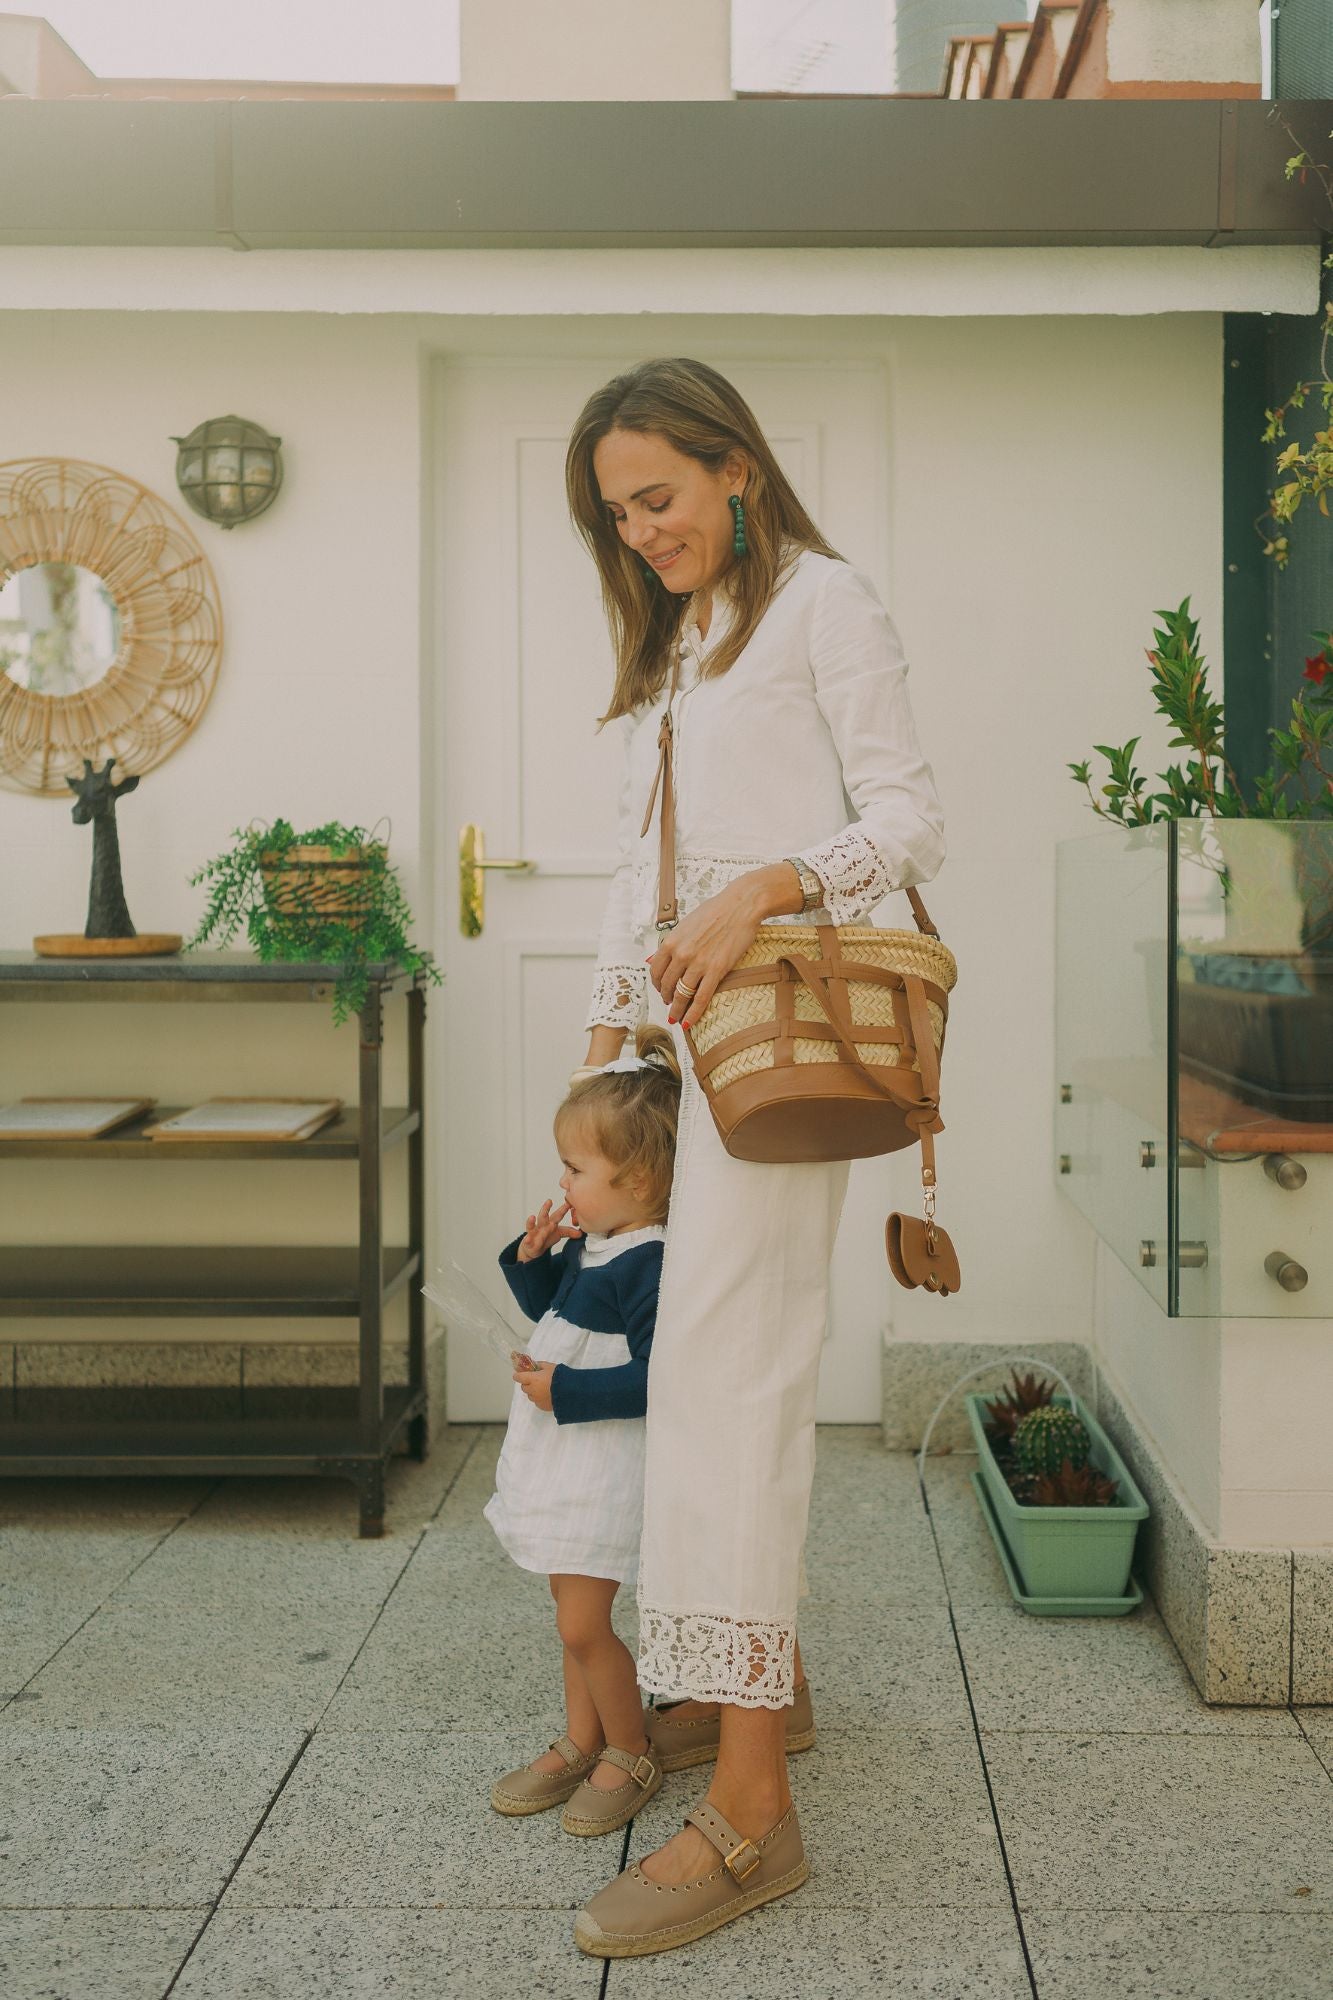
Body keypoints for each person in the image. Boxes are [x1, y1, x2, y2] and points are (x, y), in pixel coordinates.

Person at [563, 357, 946, 1956]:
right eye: (617, 514)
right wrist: (601, 1059)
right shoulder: (686, 642)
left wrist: (763, 888)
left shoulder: (822, 604)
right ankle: (753, 1694)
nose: (640, 531)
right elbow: (638, 869)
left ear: (735, 466)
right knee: (700, 1377)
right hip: (683, 1059)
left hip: (778, 1056)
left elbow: (910, 820)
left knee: (737, 1385)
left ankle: (750, 1813)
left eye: (656, 496)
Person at [485, 1023, 682, 1841]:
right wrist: (534, 1256)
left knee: (582, 1622)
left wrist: (561, 1389)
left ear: (637, 1179)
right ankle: (581, 1737)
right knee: (567, 1609)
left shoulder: (648, 1262)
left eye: (574, 1169)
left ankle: (629, 1749)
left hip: (602, 1466)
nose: (561, 1183)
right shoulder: (596, 1244)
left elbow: (656, 1376)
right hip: (564, 1460)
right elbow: (553, 1314)